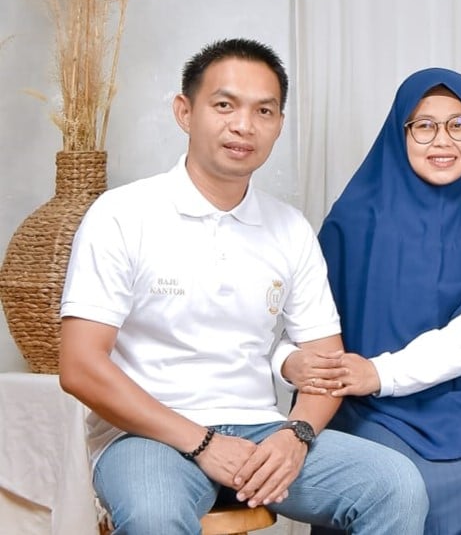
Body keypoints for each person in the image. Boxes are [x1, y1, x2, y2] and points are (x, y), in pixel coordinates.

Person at [58, 38, 428, 534]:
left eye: (264, 111)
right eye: (224, 105)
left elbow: (326, 365)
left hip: (260, 430)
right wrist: (203, 443)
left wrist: (296, 434)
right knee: (154, 515)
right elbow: (80, 366)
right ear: (185, 111)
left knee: (395, 485)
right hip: (146, 434)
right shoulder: (122, 215)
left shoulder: (290, 228)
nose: (244, 125)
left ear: (279, 124)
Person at [286, 67, 461, 534]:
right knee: (384, 477)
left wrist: (381, 373)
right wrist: (353, 378)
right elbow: (307, 325)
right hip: (368, 405)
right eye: (424, 125)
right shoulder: (351, 222)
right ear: (400, 132)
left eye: (459, 124)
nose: (443, 140)